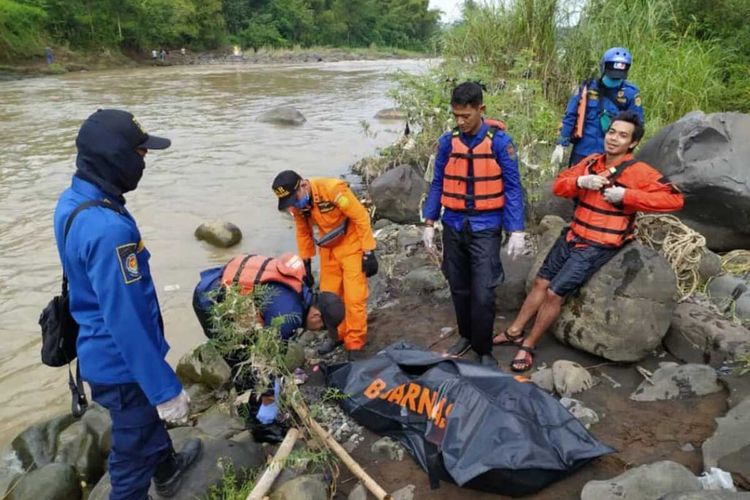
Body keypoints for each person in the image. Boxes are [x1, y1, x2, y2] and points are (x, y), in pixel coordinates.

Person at [53, 109, 201, 499]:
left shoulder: (74, 202)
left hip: (97, 348)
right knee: (131, 459)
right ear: (117, 158)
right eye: (140, 152)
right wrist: (164, 388)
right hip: (122, 366)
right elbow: (127, 321)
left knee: (144, 429)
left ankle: (167, 469)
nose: (144, 160)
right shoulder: (108, 229)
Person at [496, 111, 684, 371]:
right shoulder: (591, 162)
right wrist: (580, 181)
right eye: (611, 132)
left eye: (622, 135)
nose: (614, 138)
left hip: (600, 243)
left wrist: (628, 195)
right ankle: (515, 330)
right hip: (573, 233)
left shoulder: (640, 172)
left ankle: (528, 345)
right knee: (540, 281)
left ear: (632, 143)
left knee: (553, 293)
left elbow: (674, 199)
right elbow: (559, 186)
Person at [422, 81, 527, 367]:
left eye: (466, 115)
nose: (460, 121)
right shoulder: (447, 142)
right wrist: (429, 222)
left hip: (486, 226)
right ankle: (466, 336)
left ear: (481, 109)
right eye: (456, 115)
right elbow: (438, 183)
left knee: (483, 293)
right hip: (453, 224)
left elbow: (513, 187)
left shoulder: (501, 143)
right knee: (458, 286)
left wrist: (516, 229)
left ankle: (484, 349)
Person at [192, 252, 346, 441]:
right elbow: (265, 362)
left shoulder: (302, 294)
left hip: (222, 286)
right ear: (316, 316)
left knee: (253, 351)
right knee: (242, 362)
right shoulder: (289, 314)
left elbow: (273, 345)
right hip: (210, 301)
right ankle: (259, 426)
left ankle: (256, 409)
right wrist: (268, 399)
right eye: (322, 327)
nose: (318, 332)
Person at [271, 171, 378, 361]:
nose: (293, 205)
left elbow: (360, 217)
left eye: (293, 199)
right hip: (328, 249)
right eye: (289, 202)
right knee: (330, 298)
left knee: (354, 298)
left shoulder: (333, 190)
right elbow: (303, 232)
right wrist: (306, 262)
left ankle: (354, 343)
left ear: (303, 185)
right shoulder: (297, 206)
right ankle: (337, 335)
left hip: (352, 245)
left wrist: (369, 251)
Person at [551, 47, 644, 168]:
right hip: (583, 150)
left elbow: (637, 125)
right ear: (603, 67)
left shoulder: (630, 93)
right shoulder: (587, 88)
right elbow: (571, 116)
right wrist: (561, 144)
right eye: (612, 75)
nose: (615, 79)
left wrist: (629, 150)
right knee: (576, 182)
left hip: (611, 154)